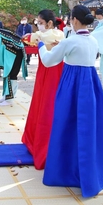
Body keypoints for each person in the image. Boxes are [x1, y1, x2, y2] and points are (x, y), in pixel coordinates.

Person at [38, 5, 103, 197]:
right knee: (88, 127)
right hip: (90, 84)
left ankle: (64, 171)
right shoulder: (93, 40)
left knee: (66, 125)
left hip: (71, 84)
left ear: (74, 20)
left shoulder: (70, 40)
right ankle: (91, 173)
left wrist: (41, 46)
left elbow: (49, 61)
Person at [21, 10, 65, 170]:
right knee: (51, 103)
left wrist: (34, 36)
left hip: (47, 71)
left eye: (39, 22)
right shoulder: (61, 34)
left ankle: (40, 141)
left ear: (49, 23)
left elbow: (27, 39)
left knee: (44, 103)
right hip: (58, 71)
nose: (37, 24)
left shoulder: (41, 35)